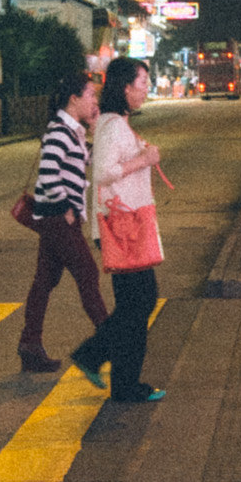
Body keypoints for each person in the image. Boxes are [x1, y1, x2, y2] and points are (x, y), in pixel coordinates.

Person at [70, 57, 173, 406]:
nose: (146, 89)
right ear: (125, 87)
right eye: (142, 82)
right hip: (123, 226)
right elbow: (103, 172)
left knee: (135, 304)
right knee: (138, 303)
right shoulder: (113, 125)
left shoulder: (115, 122)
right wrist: (143, 160)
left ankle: (123, 381)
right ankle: (98, 360)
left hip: (128, 224)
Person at [16, 64, 107, 373]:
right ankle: (111, 342)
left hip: (58, 218)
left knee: (45, 280)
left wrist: (94, 129)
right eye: (90, 95)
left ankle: (30, 344)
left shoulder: (71, 131)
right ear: (73, 99)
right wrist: (67, 206)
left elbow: (87, 161)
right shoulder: (58, 131)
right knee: (88, 275)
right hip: (58, 219)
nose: (94, 100)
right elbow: (49, 175)